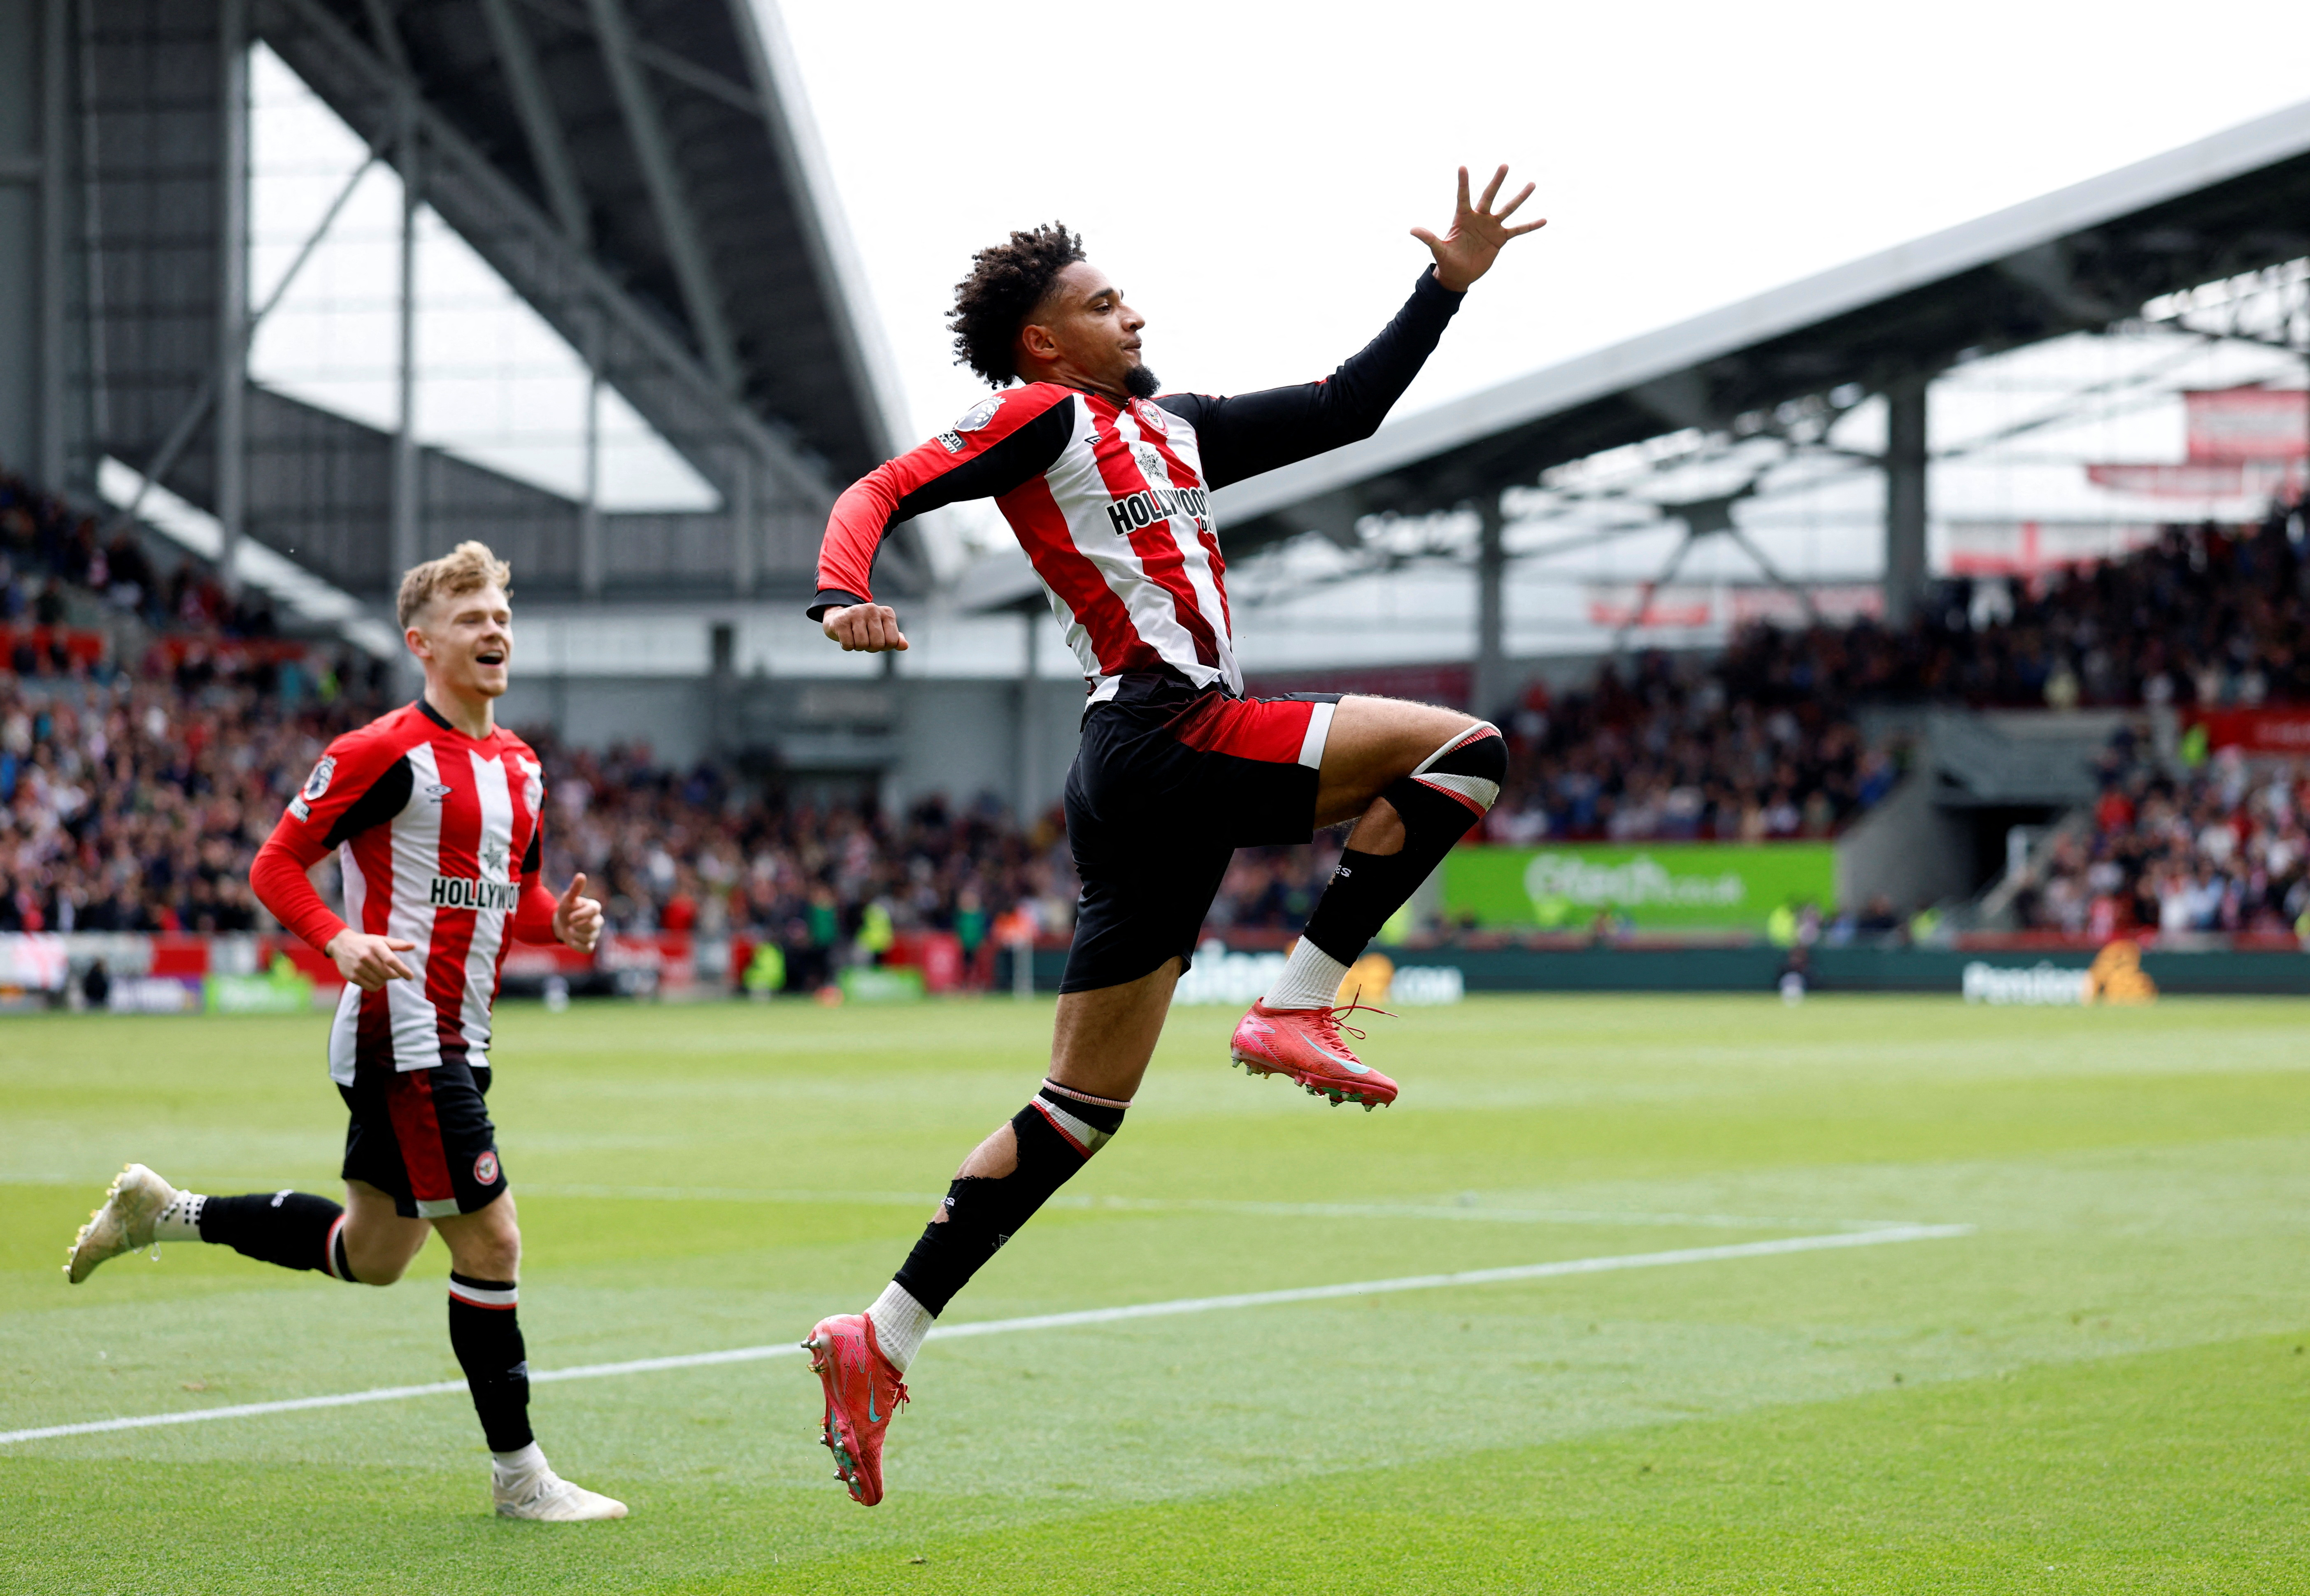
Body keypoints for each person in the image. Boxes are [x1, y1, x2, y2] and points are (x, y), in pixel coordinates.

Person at [801, 167, 1544, 1505]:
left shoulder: (1180, 432)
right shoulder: (1040, 417)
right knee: (1465, 750)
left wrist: (1444, 287)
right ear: (1044, 342)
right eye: (1102, 302)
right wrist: (840, 592)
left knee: (1077, 1108)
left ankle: (881, 1335)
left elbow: (1347, 408)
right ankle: (1295, 1006)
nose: (1131, 314)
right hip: (1166, 730)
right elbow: (882, 488)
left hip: (1137, 763)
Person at [63, 542, 626, 1522]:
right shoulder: (380, 752)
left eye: (499, 614)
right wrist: (338, 936)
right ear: (422, 643)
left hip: (461, 1038)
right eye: (471, 619)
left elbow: (514, 898)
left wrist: (561, 924)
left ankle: (166, 1211)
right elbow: (275, 863)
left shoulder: (522, 767)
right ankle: (520, 1476)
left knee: (374, 1251)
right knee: (491, 1241)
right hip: (402, 1034)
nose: (493, 630)